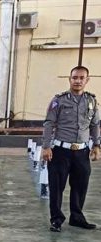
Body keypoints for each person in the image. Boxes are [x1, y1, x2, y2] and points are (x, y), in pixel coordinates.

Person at [42, 65, 100, 232]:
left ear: (87, 80)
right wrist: (46, 147)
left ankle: (77, 217)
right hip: (61, 152)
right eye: (75, 77)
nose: (78, 81)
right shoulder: (59, 100)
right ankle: (56, 220)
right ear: (70, 79)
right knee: (57, 187)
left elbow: (95, 125)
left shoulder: (91, 101)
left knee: (80, 186)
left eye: (82, 78)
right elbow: (49, 124)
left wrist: (97, 145)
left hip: (82, 152)